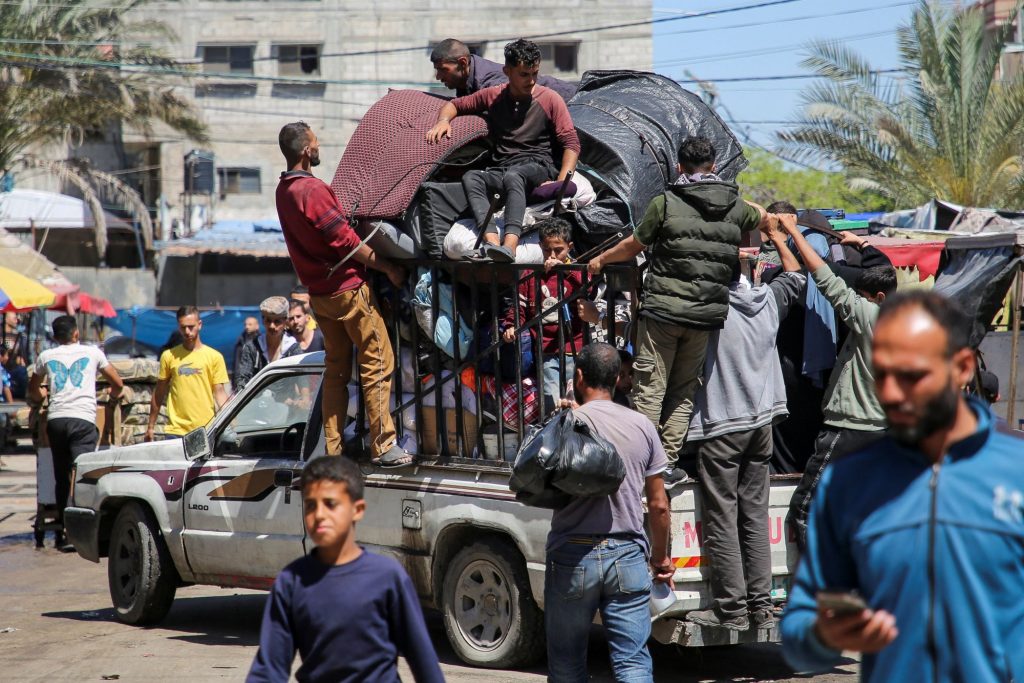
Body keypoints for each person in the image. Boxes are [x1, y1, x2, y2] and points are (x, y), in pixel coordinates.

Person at [781, 291, 1024, 681]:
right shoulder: (847, 481)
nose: (891, 392)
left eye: (911, 374)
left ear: (962, 368)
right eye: (882, 373)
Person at [588, 135, 772, 489]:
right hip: (705, 317)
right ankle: (666, 465)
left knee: (650, 388)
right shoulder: (736, 205)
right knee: (684, 391)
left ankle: (640, 463)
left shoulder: (666, 202)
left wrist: (601, 258)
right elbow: (762, 217)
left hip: (663, 313)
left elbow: (634, 244)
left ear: (678, 168)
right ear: (715, 167)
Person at [684, 225, 805, 631]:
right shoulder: (768, 299)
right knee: (753, 515)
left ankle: (731, 608)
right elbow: (796, 274)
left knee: (723, 516)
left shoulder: (712, 304)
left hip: (722, 423)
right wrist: (778, 234)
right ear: (753, 268)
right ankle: (760, 605)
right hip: (762, 422)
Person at [276, 122, 410, 467]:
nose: (319, 146)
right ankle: (383, 444)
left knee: (336, 371)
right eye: (316, 142)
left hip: (320, 295)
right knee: (378, 361)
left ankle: (332, 449)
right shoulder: (313, 190)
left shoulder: (283, 191)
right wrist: (387, 267)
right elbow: (346, 242)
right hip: (348, 291)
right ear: (306, 150)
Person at [247, 455, 444, 683]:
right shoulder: (292, 582)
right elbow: (269, 669)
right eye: (310, 505)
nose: (319, 514)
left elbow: (423, 661)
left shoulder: (387, 578)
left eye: (330, 504)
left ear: (357, 509)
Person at [545, 342, 671, 682]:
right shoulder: (643, 426)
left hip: (573, 555)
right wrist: (660, 559)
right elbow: (659, 505)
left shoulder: (567, 423)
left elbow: (534, 482)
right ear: (618, 379)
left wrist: (561, 417)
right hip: (628, 557)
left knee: (567, 665)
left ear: (580, 376)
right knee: (632, 664)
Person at [780, 214, 898, 551]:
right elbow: (884, 271)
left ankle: (816, 585)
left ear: (876, 297)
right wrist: (862, 243)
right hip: (883, 432)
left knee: (803, 510)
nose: (856, 301)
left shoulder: (871, 316)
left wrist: (791, 232)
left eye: (861, 296)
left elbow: (825, 277)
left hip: (849, 429)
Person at [426, 38, 581, 263]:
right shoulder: (492, 95)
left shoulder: (550, 99)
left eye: (534, 73)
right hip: (502, 167)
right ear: (507, 71)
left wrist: (559, 182)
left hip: (537, 165)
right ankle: (491, 243)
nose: (531, 80)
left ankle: (510, 247)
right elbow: (455, 105)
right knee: (473, 177)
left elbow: (571, 143)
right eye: (524, 74)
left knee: (514, 176)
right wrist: (443, 121)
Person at [28, 316, 122, 550]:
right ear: (76, 333)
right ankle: (79, 530)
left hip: (56, 421)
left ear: (55, 337)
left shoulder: (46, 356)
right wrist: (112, 399)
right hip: (82, 421)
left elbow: (34, 388)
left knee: (61, 476)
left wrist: (42, 398)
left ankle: (62, 524)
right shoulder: (93, 353)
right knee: (82, 474)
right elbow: (117, 383)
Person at [500, 217, 598, 408]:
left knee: (576, 402)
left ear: (569, 247)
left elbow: (588, 290)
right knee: (551, 402)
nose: (552, 255)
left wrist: (565, 270)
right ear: (540, 247)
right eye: (547, 250)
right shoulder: (530, 273)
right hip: (546, 351)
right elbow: (518, 307)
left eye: (558, 250)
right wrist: (512, 325)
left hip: (575, 348)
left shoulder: (577, 270)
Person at [146, 306, 230, 441]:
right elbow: (159, 392)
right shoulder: (169, 356)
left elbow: (219, 393)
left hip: (205, 430)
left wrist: (233, 424)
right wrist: (150, 427)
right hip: (175, 431)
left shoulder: (214, 357)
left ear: (200, 325)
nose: (187, 331)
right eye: (183, 327)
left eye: (191, 327)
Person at [429, 37, 577, 101]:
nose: (438, 77)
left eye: (443, 69)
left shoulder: (491, 84)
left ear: (462, 63)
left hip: (572, 103)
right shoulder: (466, 82)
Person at [235, 296, 298, 389]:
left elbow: (301, 381)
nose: (272, 326)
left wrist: (302, 399)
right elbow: (243, 378)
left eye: (277, 321)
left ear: (285, 321)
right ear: (263, 321)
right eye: (268, 320)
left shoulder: (292, 347)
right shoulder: (253, 346)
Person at [3, 311, 29, 398]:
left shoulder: (18, 336)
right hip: (2, 366)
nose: (17, 321)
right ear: (6, 319)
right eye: (14, 318)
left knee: (23, 372)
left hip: (13, 367)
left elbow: (19, 355)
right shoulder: (1, 334)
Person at [232, 316, 259, 390]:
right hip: (242, 381)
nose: (247, 327)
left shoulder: (261, 342)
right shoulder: (240, 342)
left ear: (257, 326)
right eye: (245, 324)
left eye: (250, 324)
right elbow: (236, 364)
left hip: (257, 381)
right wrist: (235, 383)